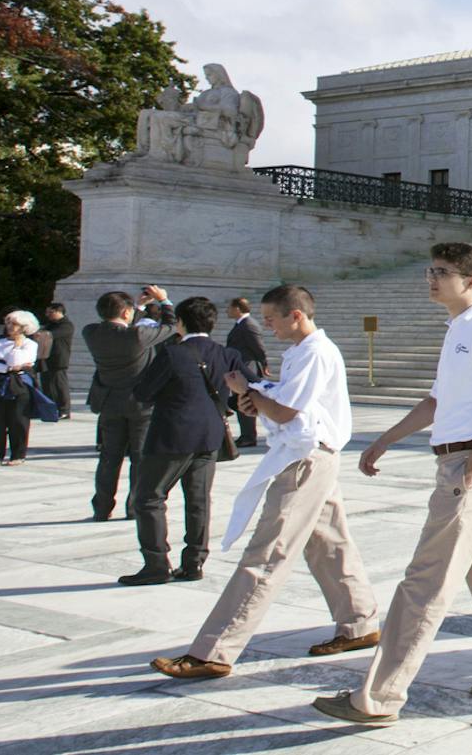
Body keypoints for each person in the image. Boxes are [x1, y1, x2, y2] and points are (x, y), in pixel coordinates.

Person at [315, 242, 472, 726]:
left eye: (442, 272)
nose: (431, 279)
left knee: (426, 579)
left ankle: (377, 697)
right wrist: (383, 439)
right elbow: (436, 402)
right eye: (431, 270)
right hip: (464, 458)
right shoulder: (458, 330)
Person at [150, 284, 380, 680]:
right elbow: (286, 404)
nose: (268, 327)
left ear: (296, 315)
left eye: (272, 319)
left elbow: (288, 412)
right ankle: (359, 623)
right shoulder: (303, 352)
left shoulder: (314, 352)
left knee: (267, 553)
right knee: (329, 545)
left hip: (305, 459)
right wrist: (255, 398)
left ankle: (215, 650)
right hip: (310, 456)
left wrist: (246, 391)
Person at [122, 297, 244, 586]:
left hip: (173, 436)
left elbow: (144, 392)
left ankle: (155, 563)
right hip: (210, 435)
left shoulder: (173, 353)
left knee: (148, 497)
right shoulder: (225, 353)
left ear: (180, 322)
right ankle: (194, 562)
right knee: (198, 500)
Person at [82, 287, 177, 522]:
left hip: (109, 403)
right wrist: (164, 300)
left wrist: (138, 306)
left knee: (108, 459)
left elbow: (119, 324)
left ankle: (101, 508)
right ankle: (134, 507)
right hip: (140, 405)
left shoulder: (91, 332)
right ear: (126, 312)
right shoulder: (137, 336)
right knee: (140, 458)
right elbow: (170, 327)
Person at [0, 311, 44, 466]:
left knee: (18, 419)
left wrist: (15, 348)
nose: (9, 327)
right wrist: (8, 368)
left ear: (24, 327)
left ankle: (18, 454)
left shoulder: (30, 344)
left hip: (20, 384)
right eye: (8, 323)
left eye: (14, 324)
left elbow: (20, 360)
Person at [226, 297, 268, 447]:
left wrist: (264, 364)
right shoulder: (240, 324)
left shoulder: (249, 325)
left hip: (246, 369)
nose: (227, 310)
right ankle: (246, 435)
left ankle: (249, 436)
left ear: (238, 308)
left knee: (245, 401)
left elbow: (259, 347)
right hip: (239, 370)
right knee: (239, 402)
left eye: (230, 307)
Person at [41, 302, 76, 419]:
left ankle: (64, 410)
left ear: (58, 312)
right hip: (46, 358)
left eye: (50, 312)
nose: (48, 315)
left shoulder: (66, 325)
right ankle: (50, 408)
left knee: (59, 385)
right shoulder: (50, 324)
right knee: (47, 384)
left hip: (59, 359)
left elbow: (51, 335)